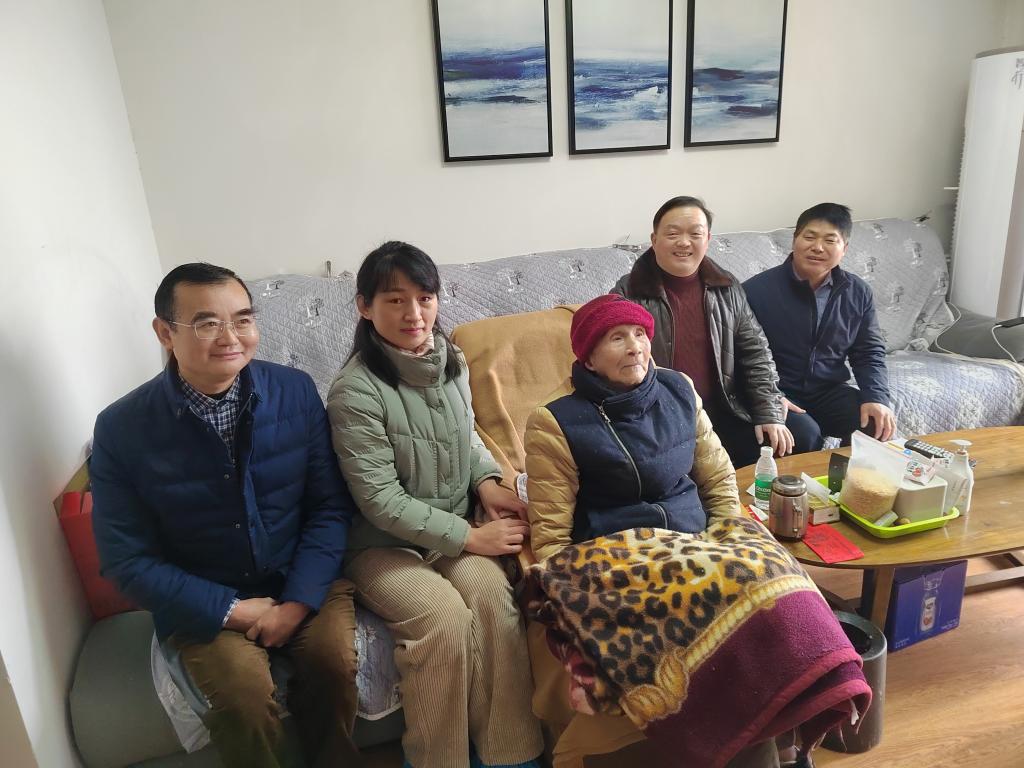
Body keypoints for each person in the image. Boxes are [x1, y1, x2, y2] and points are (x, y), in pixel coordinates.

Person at [91, 263, 360, 768]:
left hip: (299, 576)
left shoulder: (295, 391)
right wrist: (234, 611)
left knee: (332, 664)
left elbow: (329, 506)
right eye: (208, 323)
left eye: (243, 319)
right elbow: (126, 561)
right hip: (203, 598)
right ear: (164, 333)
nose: (231, 337)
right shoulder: (122, 429)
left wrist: (296, 604)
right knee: (241, 700)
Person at [522, 294, 804, 768]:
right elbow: (551, 537)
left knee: (779, 577)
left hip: (698, 541)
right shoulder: (555, 421)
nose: (635, 346)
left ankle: (785, 728)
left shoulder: (679, 389)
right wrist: (572, 597)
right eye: (617, 338)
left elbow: (718, 479)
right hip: (621, 556)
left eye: (640, 334)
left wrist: (730, 535)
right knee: (707, 609)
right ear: (588, 357)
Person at [326, 241, 544, 768]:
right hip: (382, 546)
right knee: (443, 620)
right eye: (395, 300)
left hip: (453, 526)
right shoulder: (354, 391)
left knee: (494, 602)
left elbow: (466, 436)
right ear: (364, 307)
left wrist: (487, 482)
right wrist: (472, 537)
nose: (414, 313)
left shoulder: (451, 361)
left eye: (424, 298)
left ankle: (509, 756)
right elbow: (380, 500)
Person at [611, 195, 793, 469]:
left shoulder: (726, 287)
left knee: (799, 434)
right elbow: (614, 365)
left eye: (695, 234)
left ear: (707, 240)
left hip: (726, 407)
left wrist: (768, 409)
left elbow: (756, 351)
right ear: (654, 240)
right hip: (662, 417)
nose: (684, 242)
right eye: (673, 234)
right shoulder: (627, 293)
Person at [743, 203, 896, 452]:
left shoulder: (857, 292)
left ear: (844, 248)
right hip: (778, 390)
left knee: (875, 423)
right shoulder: (756, 291)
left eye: (830, 240)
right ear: (795, 240)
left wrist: (876, 397)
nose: (818, 247)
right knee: (804, 435)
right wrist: (768, 398)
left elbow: (869, 352)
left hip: (828, 391)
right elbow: (740, 356)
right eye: (809, 237)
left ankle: (841, 476)